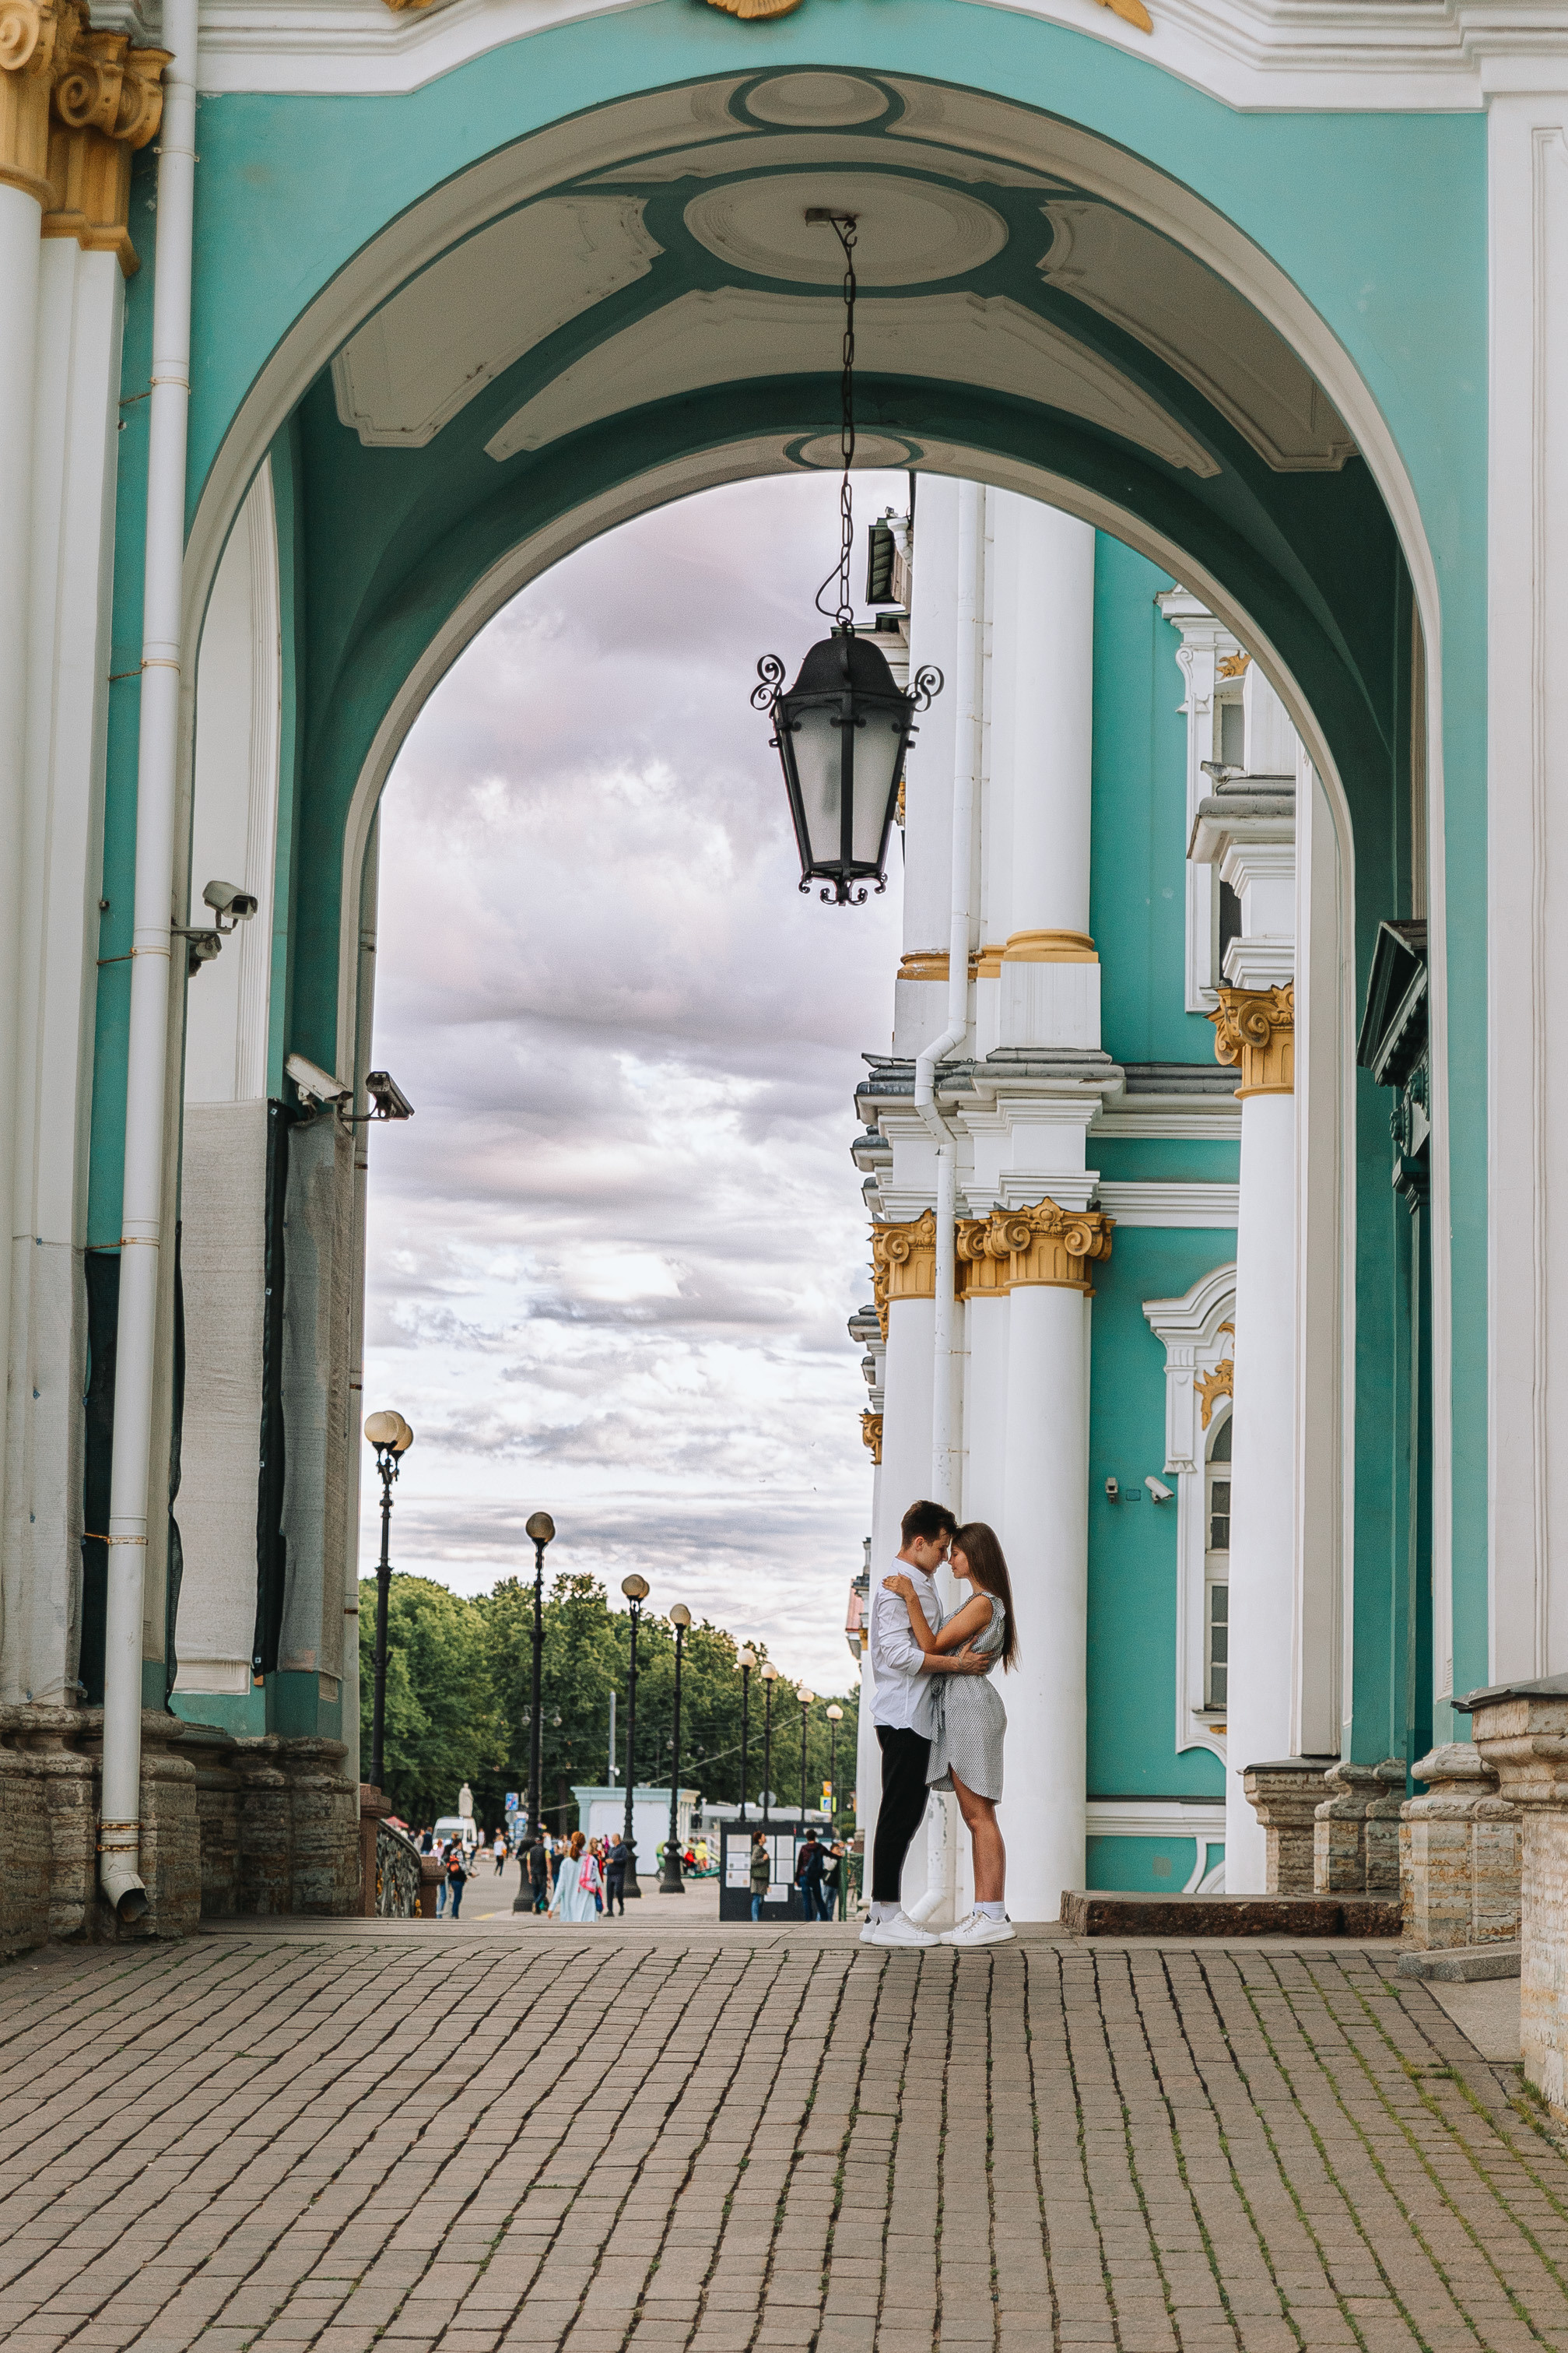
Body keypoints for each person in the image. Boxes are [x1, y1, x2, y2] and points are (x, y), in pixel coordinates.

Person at [861, 1498, 999, 1950]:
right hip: (903, 1715)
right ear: (919, 1543)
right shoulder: (896, 1587)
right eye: (941, 1548)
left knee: (906, 1813)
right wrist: (955, 1666)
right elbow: (897, 1654)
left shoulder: (918, 1582)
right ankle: (884, 1914)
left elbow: (925, 1640)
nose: (945, 1556)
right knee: (898, 1814)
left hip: (916, 1716)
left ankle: (883, 1913)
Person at [549, 1830, 599, 1923]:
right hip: (587, 1909)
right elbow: (598, 1883)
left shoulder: (566, 1863)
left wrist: (552, 1907)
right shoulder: (591, 1860)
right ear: (584, 1843)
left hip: (569, 1910)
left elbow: (560, 1887)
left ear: (572, 1842)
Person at [794, 1831, 827, 1923]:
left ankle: (808, 1919)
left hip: (804, 1876)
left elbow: (800, 1863)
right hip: (815, 1877)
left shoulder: (804, 1848)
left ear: (807, 1837)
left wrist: (797, 1878)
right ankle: (825, 1919)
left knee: (806, 1899)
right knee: (818, 1898)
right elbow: (821, 1863)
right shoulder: (819, 1848)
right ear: (815, 1837)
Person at [749, 1830, 771, 1922]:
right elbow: (753, 1861)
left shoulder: (761, 1849)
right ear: (759, 1839)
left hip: (761, 1879)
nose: (765, 1838)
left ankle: (756, 1918)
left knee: (760, 1900)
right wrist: (763, 1859)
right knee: (757, 1899)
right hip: (758, 1879)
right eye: (763, 1837)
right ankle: (755, 1920)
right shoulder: (758, 1849)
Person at [605, 1832, 630, 1916]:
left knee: (618, 1890)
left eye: (613, 1837)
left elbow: (624, 1860)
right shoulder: (611, 1849)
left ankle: (621, 1906)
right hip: (610, 1873)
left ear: (618, 1838)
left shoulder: (623, 1848)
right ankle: (610, 1910)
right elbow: (608, 1858)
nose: (612, 1838)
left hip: (619, 1873)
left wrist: (614, 1861)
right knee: (609, 1892)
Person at [444, 1839, 468, 1920]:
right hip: (459, 1877)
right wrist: (468, 1873)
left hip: (452, 1876)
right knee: (458, 1897)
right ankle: (454, 1914)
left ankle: (454, 1913)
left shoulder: (452, 1852)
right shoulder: (459, 1852)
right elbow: (462, 1865)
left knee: (456, 1896)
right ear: (460, 1843)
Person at [526, 1835, 552, 1914]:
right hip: (542, 1873)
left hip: (534, 1873)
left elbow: (528, 1864)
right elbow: (548, 1863)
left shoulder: (531, 1851)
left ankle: (537, 1910)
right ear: (542, 1840)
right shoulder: (545, 1851)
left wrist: (530, 1875)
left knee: (536, 1891)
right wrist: (549, 1874)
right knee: (543, 1891)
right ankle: (536, 1904)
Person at [823, 1841, 847, 1923]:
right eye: (837, 1849)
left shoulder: (838, 1857)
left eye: (839, 1849)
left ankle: (829, 1920)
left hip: (835, 1884)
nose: (838, 1850)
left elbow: (846, 1854)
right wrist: (836, 1858)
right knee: (824, 1902)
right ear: (832, 1850)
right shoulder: (828, 1856)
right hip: (828, 1884)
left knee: (831, 1904)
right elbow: (830, 1867)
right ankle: (820, 1920)